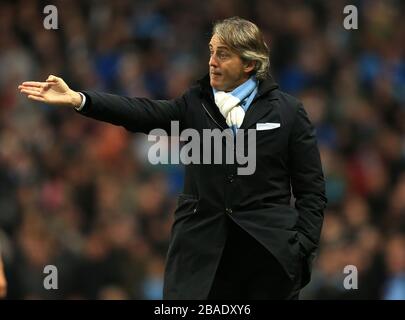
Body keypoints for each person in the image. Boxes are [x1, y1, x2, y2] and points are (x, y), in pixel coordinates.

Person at [18, 17, 327, 300]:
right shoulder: (196, 103)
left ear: (248, 64)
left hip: (267, 262)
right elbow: (143, 113)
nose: (212, 62)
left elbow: (311, 190)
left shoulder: (288, 112)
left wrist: (299, 250)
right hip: (202, 260)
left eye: (223, 55)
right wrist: (80, 99)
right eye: (211, 52)